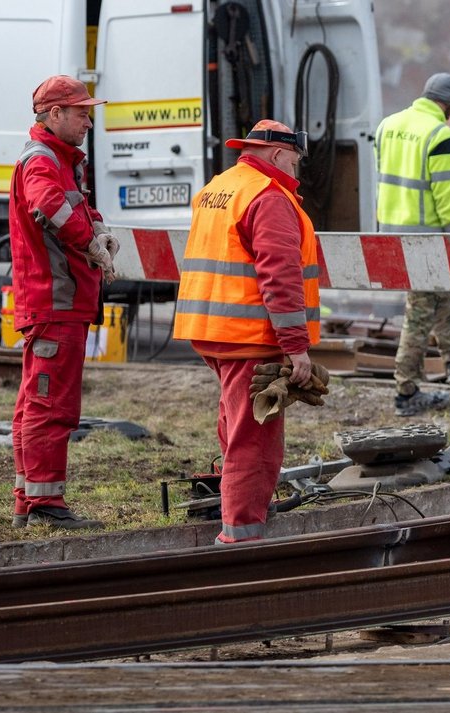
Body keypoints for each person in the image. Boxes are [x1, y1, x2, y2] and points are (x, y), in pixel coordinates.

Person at [172, 119, 321, 544]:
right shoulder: (269, 198)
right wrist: (296, 348)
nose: (297, 169)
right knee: (254, 439)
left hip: (215, 329)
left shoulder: (221, 187)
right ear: (276, 155)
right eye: (295, 159)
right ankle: (241, 538)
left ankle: (247, 509)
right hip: (250, 334)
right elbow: (280, 277)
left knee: (234, 422)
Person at [8, 75, 119, 530]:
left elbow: (72, 205)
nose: (88, 121)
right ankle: (45, 506)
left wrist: (97, 227)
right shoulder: (43, 161)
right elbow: (51, 206)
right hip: (55, 303)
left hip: (57, 302)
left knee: (35, 403)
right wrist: (88, 241)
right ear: (54, 114)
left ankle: (28, 500)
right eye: (81, 112)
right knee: (51, 406)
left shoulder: (59, 159)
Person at [374, 72, 450, 417]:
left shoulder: (388, 126)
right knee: (421, 310)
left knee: (438, 296)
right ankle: (405, 391)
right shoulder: (442, 137)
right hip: (428, 236)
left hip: (392, 232)